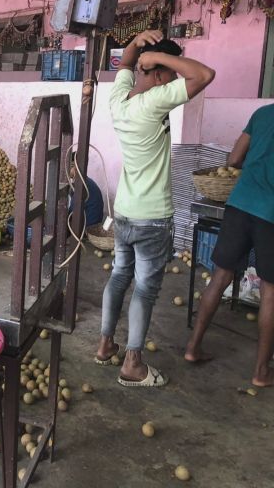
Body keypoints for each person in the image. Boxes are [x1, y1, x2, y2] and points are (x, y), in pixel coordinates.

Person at [94, 30, 215, 387]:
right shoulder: (156, 101)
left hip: (127, 212)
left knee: (119, 276)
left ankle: (105, 346)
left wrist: (136, 42)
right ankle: (132, 363)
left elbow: (127, 64)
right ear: (161, 75)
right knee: (145, 289)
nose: (175, 78)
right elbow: (204, 75)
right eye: (169, 72)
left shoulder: (120, 99)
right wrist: (159, 57)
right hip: (153, 217)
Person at [185, 104, 274, 387]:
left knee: (220, 277)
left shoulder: (262, 114)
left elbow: (234, 158)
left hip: (239, 203)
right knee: (270, 292)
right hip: (271, 213)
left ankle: (192, 348)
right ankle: (261, 372)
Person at [68, 151, 104, 227]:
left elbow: (72, 211)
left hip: (88, 226)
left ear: (75, 167)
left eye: (70, 167)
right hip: (94, 222)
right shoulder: (86, 181)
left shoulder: (81, 186)